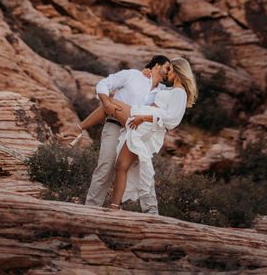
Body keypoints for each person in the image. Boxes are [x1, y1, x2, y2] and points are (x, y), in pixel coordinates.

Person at [72, 55, 171, 214]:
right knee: (105, 167)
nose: (168, 72)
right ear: (157, 66)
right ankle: (90, 210)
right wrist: (106, 103)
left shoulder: (163, 92)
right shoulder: (133, 75)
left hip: (136, 135)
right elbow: (104, 84)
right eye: (167, 68)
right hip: (115, 126)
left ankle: (118, 209)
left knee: (128, 170)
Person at [107, 57, 197, 210]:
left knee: (111, 102)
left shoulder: (180, 93)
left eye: (170, 70)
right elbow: (153, 88)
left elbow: (172, 119)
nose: (167, 73)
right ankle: (116, 205)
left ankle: (116, 206)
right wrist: (145, 73)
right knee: (122, 165)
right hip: (143, 120)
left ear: (177, 71)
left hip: (146, 124)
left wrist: (144, 117)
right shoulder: (170, 90)